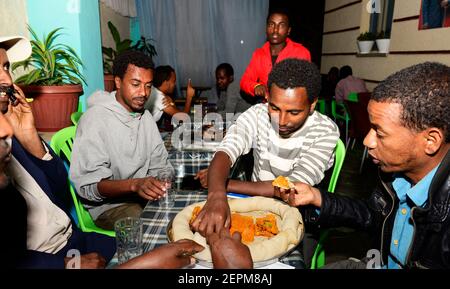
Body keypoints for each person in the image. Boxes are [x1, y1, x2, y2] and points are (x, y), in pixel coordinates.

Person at [285, 62, 450, 269]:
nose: (367, 141)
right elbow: (372, 215)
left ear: (431, 140)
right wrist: (317, 197)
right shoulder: (395, 175)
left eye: (379, 133)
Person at [1, 36, 115, 268]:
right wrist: (65, 265)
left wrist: (30, 137)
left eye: (5, 67)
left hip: (74, 241)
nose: (5, 78)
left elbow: (61, 190)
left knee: (153, 246)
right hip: (47, 261)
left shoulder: (10, 130)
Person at [192, 58, 339, 235]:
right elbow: (227, 149)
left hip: (300, 216)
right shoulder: (258, 114)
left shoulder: (325, 131)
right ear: (268, 97)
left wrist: (224, 184)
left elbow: (291, 187)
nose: (282, 121)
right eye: (275, 108)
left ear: (312, 104)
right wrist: (216, 195)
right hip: (255, 203)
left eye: (294, 112)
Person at [70, 51, 173, 231]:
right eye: (136, 84)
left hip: (141, 197)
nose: (143, 93)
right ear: (118, 82)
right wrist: (135, 185)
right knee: (150, 225)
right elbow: (89, 186)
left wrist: (162, 181)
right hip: (109, 207)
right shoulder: (95, 120)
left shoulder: (146, 118)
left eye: (148, 86)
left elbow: (160, 165)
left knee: (179, 214)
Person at [240, 8, 311, 101]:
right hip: (267, 107)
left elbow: (308, 86)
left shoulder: (301, 53)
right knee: (239, 116)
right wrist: (256, 86)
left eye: (281, 25)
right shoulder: (259, 54)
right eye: (271, 24)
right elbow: (244, 81)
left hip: (293, 107)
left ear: (288, 30)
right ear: (266, 28)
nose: (275, 30)